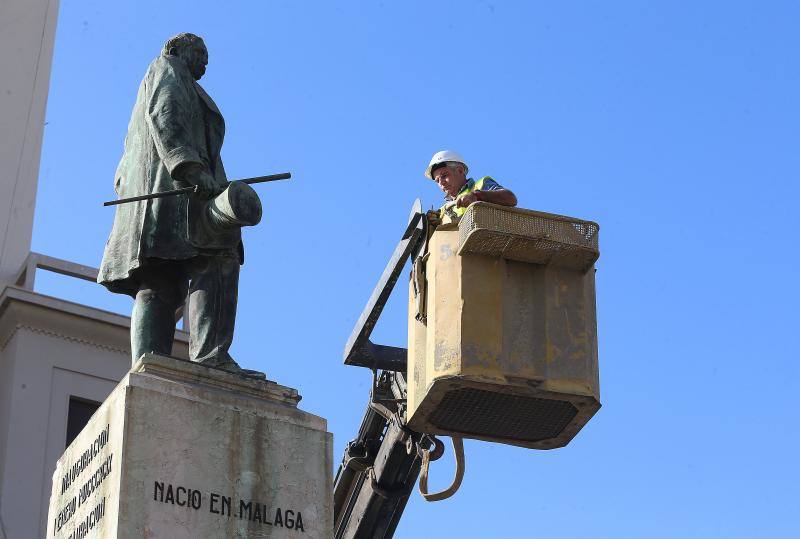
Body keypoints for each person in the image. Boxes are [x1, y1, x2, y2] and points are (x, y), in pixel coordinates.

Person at [98, 33, 263, 378]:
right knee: (218, 254)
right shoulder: (168, 68)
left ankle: (148, 366)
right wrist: (191, 168)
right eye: (200, 53)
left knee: (159, 280)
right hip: (179, 192)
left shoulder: (153, 80)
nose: (205, 61)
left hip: (159, 198)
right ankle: (210, 356)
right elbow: (167, 116)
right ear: (177, 50)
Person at [424, 150, 517, 220]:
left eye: (444, 176)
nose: (441, 183)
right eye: (437, 181)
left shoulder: (481, 184)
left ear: (460, 170)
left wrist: (477, 196)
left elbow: (510, 198)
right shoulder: (442, 212)